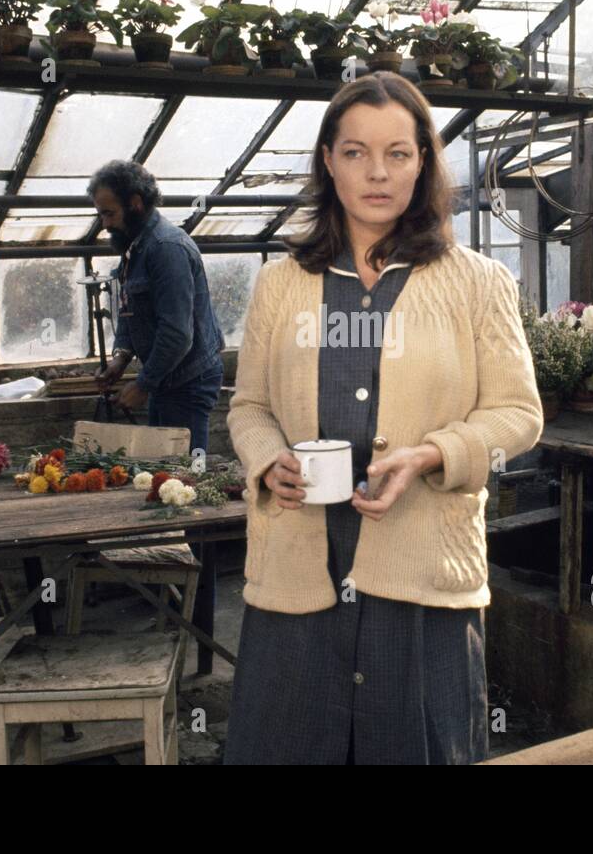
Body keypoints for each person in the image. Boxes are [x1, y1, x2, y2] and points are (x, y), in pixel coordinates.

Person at [223, 71, 544, 765]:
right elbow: (247, 406)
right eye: (355, 152)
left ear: (424, 162)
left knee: (415, 744)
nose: (377, 172)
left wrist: (432, 454)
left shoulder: (478, 283)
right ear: (327, 161)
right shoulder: (282, 284)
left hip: (423, 570)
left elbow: (518, 412)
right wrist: (266, 459)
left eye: (399, 152)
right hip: (297, 567)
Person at [89, 160, 225, 458]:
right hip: (165, 380)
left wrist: (143, 385)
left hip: (188, 383)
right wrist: (121, 358)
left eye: (109, 214)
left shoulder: (166, 248)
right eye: (101, 214)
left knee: (185, 480)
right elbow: (130, 308)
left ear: (135, 204)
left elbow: (177, 334)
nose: (105, 224)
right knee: (160, 472)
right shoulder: (135, 247)